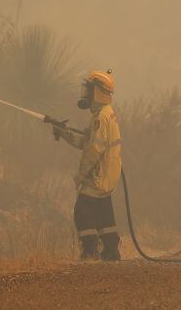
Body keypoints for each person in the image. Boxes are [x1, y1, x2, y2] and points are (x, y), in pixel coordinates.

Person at [53, 70, 123, 261]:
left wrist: (81, 176)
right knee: (103, 210)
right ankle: (111, 250)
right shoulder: (104, 114)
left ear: (98, 92)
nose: (86, 93)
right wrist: (64, 133)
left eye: (89, 89)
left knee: (82, 210)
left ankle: (90, 251)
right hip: (108, 174)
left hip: (99, 174)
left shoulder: (101, 118)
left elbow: (93, 150)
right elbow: (85, 141)